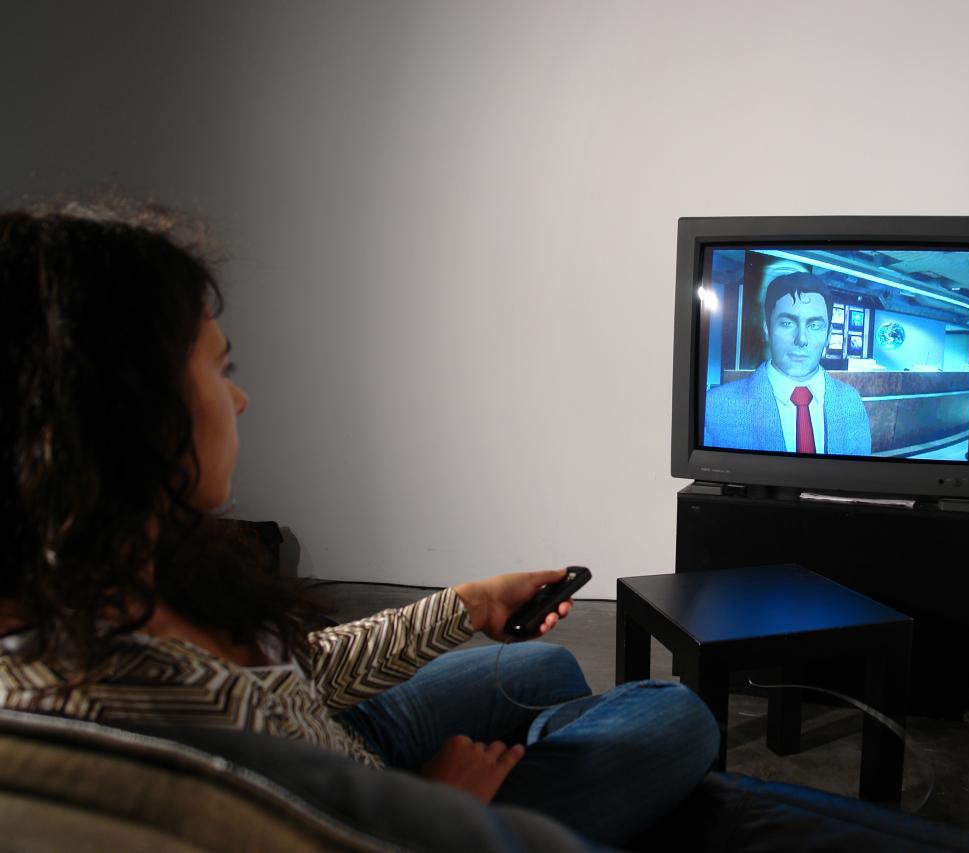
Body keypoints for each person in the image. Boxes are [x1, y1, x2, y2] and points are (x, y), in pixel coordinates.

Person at [0, 203, 718, 847]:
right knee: (673, 712)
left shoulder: (123, 566)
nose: (241, 399)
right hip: (366, 805)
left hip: (329, 732)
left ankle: (538, 747)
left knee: (548, 664)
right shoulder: (152, 713)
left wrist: (464, 605)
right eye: (223, 370)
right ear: (128, 410)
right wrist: (429, 805)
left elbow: (295, 673)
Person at [703, 272, 871, 455]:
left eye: (814, 325)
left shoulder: (851, 401)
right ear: (767, 328)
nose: (801, 339)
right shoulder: (715, 406)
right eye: (787, 323)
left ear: (828, 334)